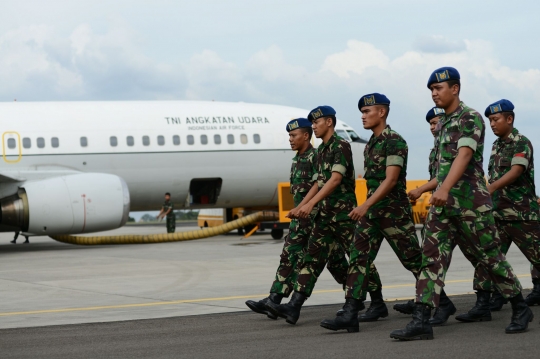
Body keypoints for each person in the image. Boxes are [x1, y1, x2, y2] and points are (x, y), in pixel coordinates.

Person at [390, 67, 533, 341]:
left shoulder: (471, 118)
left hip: (470, 204)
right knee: (430, 259)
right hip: (443, 206)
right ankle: (422, 320)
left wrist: (443, 188)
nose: (434, 94)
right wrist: (430, 189)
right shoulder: (443, 123)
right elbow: (443, 167)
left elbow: (465, 154)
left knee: (490, 257)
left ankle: (520, 306)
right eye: (431, 90)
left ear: (454, 89)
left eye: (439, 89)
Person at [320, 93, 423, 333]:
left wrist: (365, 205)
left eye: (367, 112)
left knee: (414, 262)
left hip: (393, 213)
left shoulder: (394, 141)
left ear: (382, 113)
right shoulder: (371, 144)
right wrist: (367, 208)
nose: (363, 116)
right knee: (358, 259)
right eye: (362, 112)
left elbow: (391, 180)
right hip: (372, 215)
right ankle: (350, 312)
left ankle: (441, 303)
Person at [245, 118, 350, 319]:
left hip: (318, 218)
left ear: (306, 136)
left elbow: (319, 185)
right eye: (289, 136)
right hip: (301, 219)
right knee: (289, 255)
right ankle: (274, 300)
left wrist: (304, 207)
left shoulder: (316, 157)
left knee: (335, 262)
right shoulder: (297, 159)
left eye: (294, 136)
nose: (290, 140)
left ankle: (359, 297)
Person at [265, 106, 357, 325]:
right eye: (312, 123)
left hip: (342, 216)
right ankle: (291, 305)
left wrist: (309, 205)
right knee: (310, 260)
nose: (314, 125)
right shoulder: (320, 152)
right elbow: (318, 184)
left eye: (317, 122)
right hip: (322, 217)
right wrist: (301, 207)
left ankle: (376, 301)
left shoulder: (339, 147)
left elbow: (333, 180)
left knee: (358, 261)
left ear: (329, 123)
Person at [459, 99, 540, 313]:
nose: (492, 124)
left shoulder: (521, 142)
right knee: (488, 259)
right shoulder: (496, 146)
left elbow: (516, 171)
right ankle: (483, 304)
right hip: (498, 215)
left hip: (522, 215)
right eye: (490, 121)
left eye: (495, 119)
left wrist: (490, 188)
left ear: (509, 119)